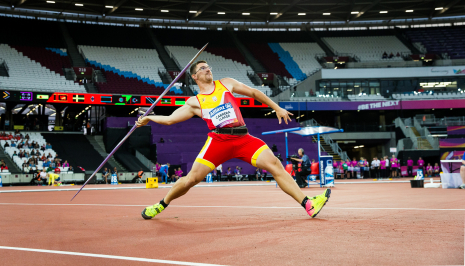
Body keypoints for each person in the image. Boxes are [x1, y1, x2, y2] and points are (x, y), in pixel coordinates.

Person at [136, 60, 330, 219]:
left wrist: (276, 107)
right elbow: (170, 120)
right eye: (202, 68)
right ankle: (161, 204)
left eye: (208, 67)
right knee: (191, 180)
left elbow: (254, 93)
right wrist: (149, 118)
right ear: (194, 77)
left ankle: (308, 204)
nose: (207, 69)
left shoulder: (225, 84)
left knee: (275, 165)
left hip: (243, 138)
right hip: (218, 142)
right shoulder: (195, 102)